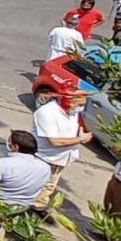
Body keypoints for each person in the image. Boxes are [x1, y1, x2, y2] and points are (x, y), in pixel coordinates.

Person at [32, 87, 92, 217]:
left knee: (49, 186)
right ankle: (29, 211)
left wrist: (79, 133)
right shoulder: (47, 113)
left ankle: (38, 207)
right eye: (80, 104)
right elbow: (54, 141)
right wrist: (80, 139)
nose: (81, 108)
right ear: (68, 101)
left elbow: (72, 126)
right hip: (45, 158)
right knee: (37, 185)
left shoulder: (71, 111)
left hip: (61, 159)